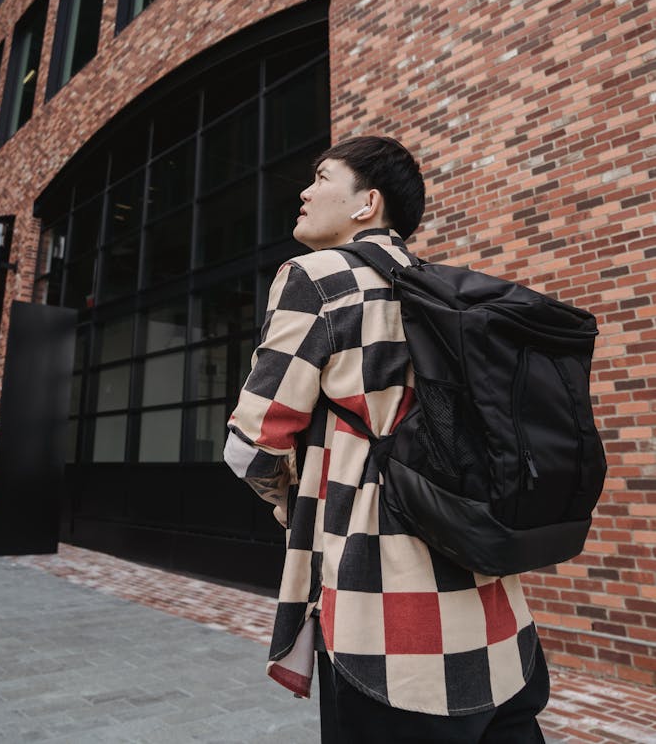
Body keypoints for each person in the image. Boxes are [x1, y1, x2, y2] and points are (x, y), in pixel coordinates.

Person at [224, 134, 549, 743]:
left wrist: (285, 499)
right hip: (500, 631)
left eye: (321, 177)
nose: (304, 190)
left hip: (384, 632)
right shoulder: (447, 291)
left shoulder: (317, 278)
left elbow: (254, 438)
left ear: (365, 203)